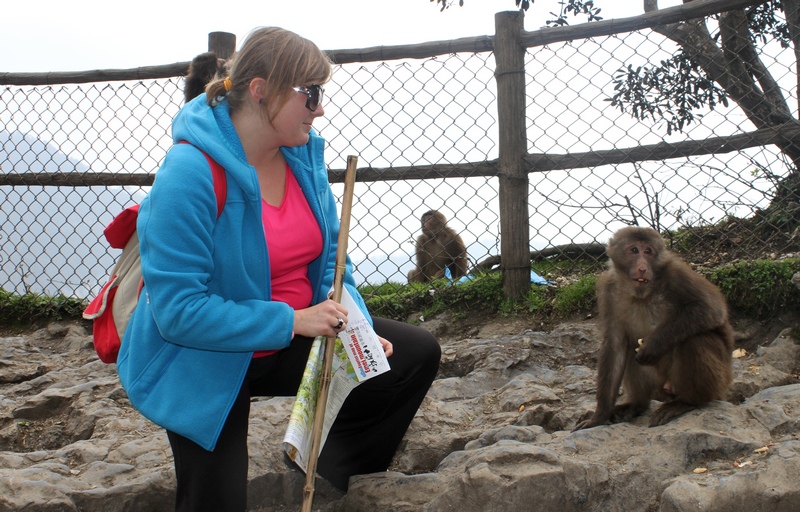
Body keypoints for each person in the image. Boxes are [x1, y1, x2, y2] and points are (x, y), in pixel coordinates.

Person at [115, 26, 441, 512]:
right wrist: (292, 320)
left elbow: (334, 259)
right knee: (218, 502)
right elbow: (179, 312)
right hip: (202, 355)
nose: (321, 108)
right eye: (310, 94)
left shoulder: (303, 159)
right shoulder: (189, 173)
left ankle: (327, 473)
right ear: (260, 89)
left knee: (413, 356)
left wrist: (357, 327)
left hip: (286, 338)